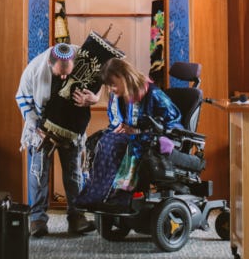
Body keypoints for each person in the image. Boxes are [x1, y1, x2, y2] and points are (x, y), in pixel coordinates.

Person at [75, 57, 182, 211]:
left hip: (152, 137)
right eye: (108, 86)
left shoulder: (152, 93)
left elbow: (173, 121)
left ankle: (119, 196)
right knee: (97, 140)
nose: (110, 90)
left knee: (115, 144)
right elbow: (115, 120)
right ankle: (96, 194)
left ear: (123, 77)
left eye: (113, 84)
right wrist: (119, 127)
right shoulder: (116, 96)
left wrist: (139, 130)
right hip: (127, 135)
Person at [15, 43, 100, 237]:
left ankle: (76, 217)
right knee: (39, 171)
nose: (63, 77)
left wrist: (94, 99)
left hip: (72, 126)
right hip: (41, 125)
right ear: (49, 63)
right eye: (60, 74)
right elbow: (21, 98)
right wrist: (37, 127)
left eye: (67, 74)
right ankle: (37, 219)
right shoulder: (34, 70)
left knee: (74, 172)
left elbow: (100, 78)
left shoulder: (83, 57)